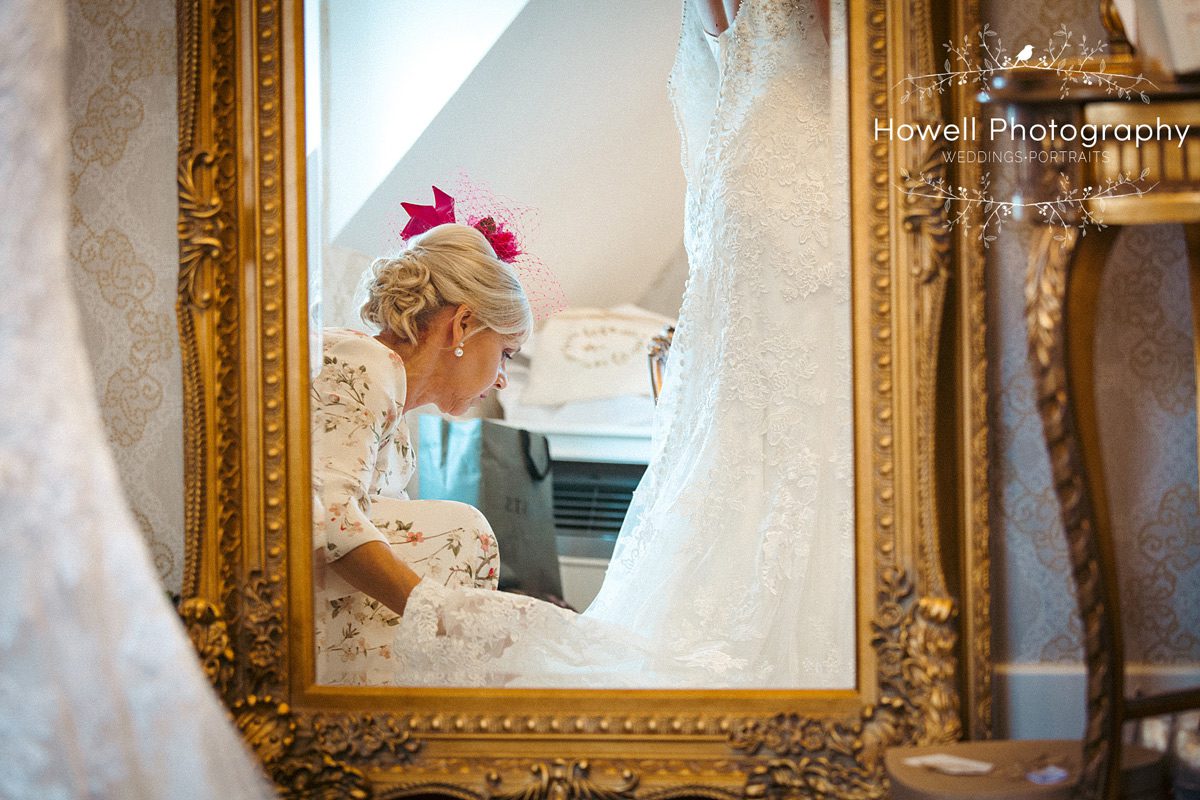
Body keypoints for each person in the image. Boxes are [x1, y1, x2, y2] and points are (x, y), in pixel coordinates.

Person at [583, 0, 856, 688]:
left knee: (747, 408)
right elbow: (847, 48)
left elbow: (722, 41)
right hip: (813, 168)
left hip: (747, 165)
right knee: (815, 400)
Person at [311, 222, 531, 685]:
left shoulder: (396, 413)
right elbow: (328, 518)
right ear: (463, 325)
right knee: (464, 527)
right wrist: (444, 620)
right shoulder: (362, 361)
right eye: (506, 353)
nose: (501, 379)